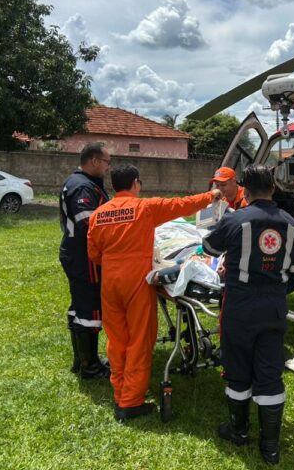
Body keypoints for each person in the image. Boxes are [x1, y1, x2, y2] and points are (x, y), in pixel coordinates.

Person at [87, 164, 221, 422]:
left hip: (110, 282)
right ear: (136, 183)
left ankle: (120, 392)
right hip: (136, 280)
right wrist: (211, 196)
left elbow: (93, 253)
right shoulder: (144, 208)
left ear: (115, 185)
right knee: (139, 339)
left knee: (117, 339)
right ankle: (130, 402)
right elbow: (182, 205)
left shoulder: (98, 214)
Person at [201, 165, 294, 465]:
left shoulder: (235, 219)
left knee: (238, 370)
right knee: (270, 373)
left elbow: (208, 245)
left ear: (245, 188)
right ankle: (270, 448)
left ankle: (239, 430)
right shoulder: (292, 225)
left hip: (239, 307)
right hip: (273, 308)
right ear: (273, 187)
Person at [59, 142, 111, 379]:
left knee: (79, 306)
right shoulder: (82, 187)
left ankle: (82, 360)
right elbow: (89, 225)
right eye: (106, 162)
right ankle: (90, 366)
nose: (107, 168)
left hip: (77, 253)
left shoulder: (82, 183)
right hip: (84, 256)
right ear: (94, 161)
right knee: (89, 308)